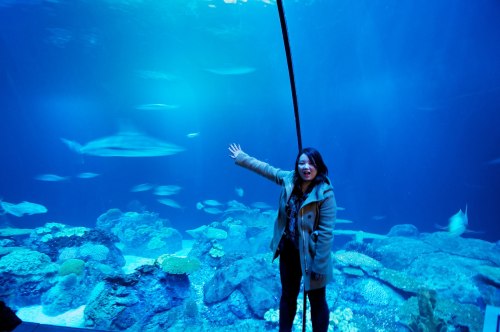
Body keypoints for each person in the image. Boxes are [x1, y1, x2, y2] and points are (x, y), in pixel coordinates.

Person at [228, 143, 336, 332]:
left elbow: (326, 232)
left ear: (318, 166)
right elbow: (266, 169)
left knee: (317, 301)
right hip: (289, 251)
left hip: (313, 255)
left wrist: (319, 265)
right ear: (297, 165)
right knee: (288, 296)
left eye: (311, 163)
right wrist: (242, 157)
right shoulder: (289, 179)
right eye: (302, 163)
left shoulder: (325, 193)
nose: (306, 167)